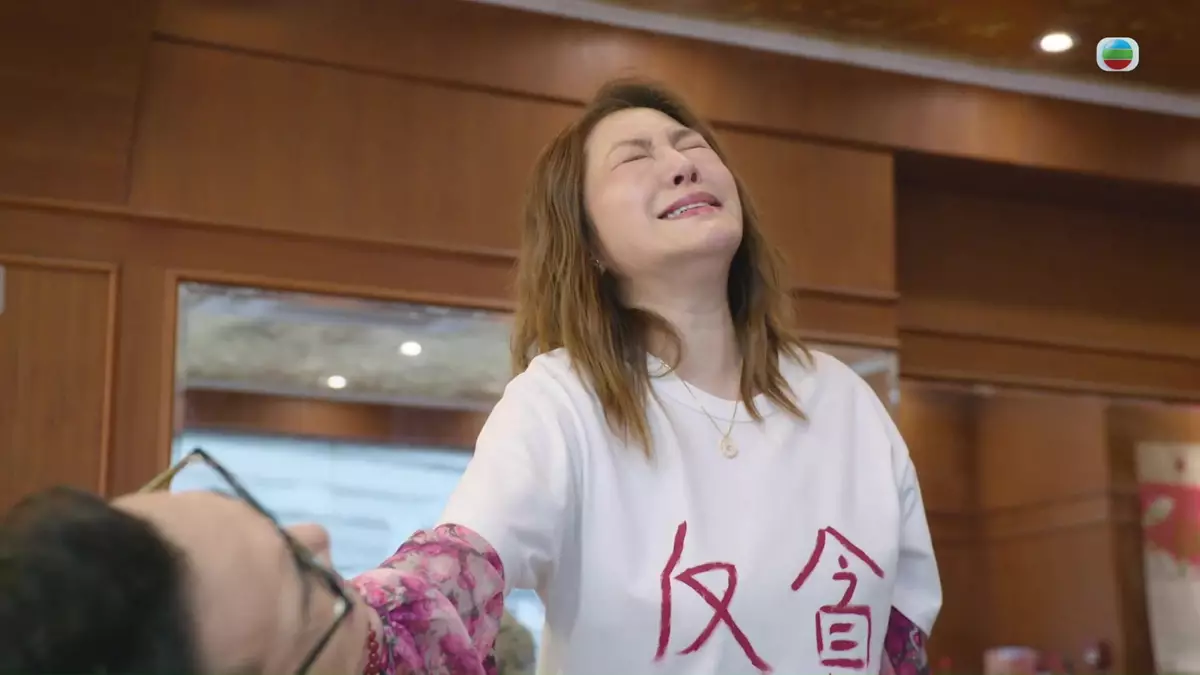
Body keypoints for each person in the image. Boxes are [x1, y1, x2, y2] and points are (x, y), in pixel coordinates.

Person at [354, 78, 941, 675]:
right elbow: (461, 573)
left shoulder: (844, 401)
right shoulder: (561, 399)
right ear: (587, 241)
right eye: (634, 158)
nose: (683, 165)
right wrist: (351, 625)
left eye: (693, 145)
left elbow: (898, 648)